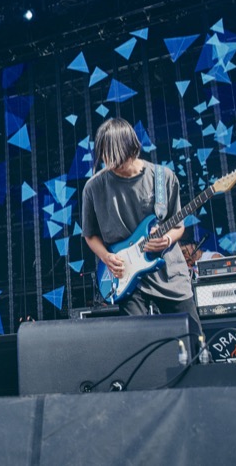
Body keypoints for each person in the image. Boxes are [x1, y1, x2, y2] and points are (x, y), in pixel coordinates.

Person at [82, 117, 204, 351]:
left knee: (194, 343)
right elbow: (90, 235)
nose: (110, 163)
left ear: (130, 147)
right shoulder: (94, 187)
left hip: (169, 273)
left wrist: (166, 239)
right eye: (105, 155)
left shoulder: (163, 177)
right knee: (137, 347)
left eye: (114, 156)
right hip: (127, 276)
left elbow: (178, 226)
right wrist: (107, 258)